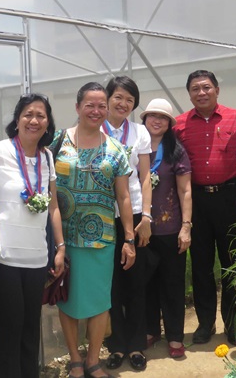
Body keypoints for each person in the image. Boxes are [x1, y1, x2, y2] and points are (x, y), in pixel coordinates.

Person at [54, 82, 136, 378]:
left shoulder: (115, 150)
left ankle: (92, 360)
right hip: (64, 238)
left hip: (102, 238)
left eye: (102, 105)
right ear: (77, 107)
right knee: (68, 298)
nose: (96, 110)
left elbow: (124, 197)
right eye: (90, 104)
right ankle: (75, 359)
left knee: (100, 301)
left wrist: (129, 238)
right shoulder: (57, 142)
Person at [0, 94, 66, 378]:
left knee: (31, 327)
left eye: (41, 116)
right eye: (28, 114)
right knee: (9, 327)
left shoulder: (46, 157)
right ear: (17, 119)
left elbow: (53, 206)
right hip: (4, 258)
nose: (34, 120)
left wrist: (60, 247)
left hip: (37, 259)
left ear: (48, 123)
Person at [173, 70, 236, 346]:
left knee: (233, 266)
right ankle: (205, 324)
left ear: (217, 89)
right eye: (195, 89)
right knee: (202, 266)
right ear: (189, 94)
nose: (201, 93)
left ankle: (233, 324)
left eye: (206, 87)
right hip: (196, 202)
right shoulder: (178, 125)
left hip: (229, 198)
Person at [103, 76, 153, 371]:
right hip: (101, 215)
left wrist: (146, 215)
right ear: (107, 98)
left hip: (133, 212)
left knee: (136, 281)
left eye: (129, 100)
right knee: (110, 284)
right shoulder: (93, 129)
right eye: (118, 97)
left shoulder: (139, 132)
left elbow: (145, 176)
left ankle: (136, 345)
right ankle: (116, 344)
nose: (123, 104)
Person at [140, 98, 192, 359]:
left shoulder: (176, 151)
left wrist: (186, 227)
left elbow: (185, 190)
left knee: (172, 285)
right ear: (144, 119)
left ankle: (175, 336)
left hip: (171, 229)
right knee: (146, 283)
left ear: (170, 124)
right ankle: (150, 331)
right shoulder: (134, 148)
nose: (156, 121)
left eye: (162, 117)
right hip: (142, 228)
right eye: (152, 116)